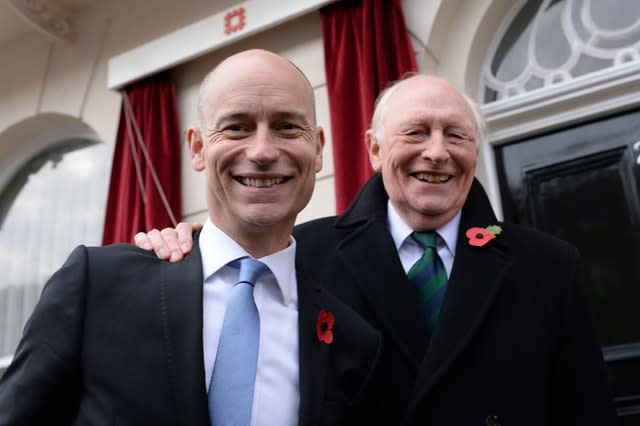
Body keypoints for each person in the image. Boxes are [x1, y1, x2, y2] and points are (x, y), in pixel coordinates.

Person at [140, 74, 618, 425]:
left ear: (475, 149)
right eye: (415, 132)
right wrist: (186, 249)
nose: (436, 152)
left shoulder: (550, 265)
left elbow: (586, 411)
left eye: (456, 135)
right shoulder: (302, 253)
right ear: (373, 148)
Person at [0, 49, 382, 426]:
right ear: (198, 147)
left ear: (317, 148)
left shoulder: (351, 337)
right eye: (237, 127)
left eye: (286, 127)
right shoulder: (98, 285)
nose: (263, 151)